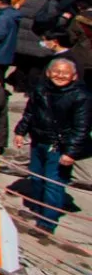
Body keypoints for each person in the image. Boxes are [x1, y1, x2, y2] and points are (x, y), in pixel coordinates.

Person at [14, 58, 91, 236]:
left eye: (65, 73)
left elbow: (82, 128)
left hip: (60, 147)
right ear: (48, 73)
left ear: (74, 76)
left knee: (53, 184)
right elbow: (30, 112)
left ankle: (47, 221)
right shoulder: (41, 89)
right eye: (56, 71)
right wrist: (20, 131)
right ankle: (37, 208)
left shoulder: (82, 96)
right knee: (36, 177)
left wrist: (71, 152)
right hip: (39, 141)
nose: (59, 76)